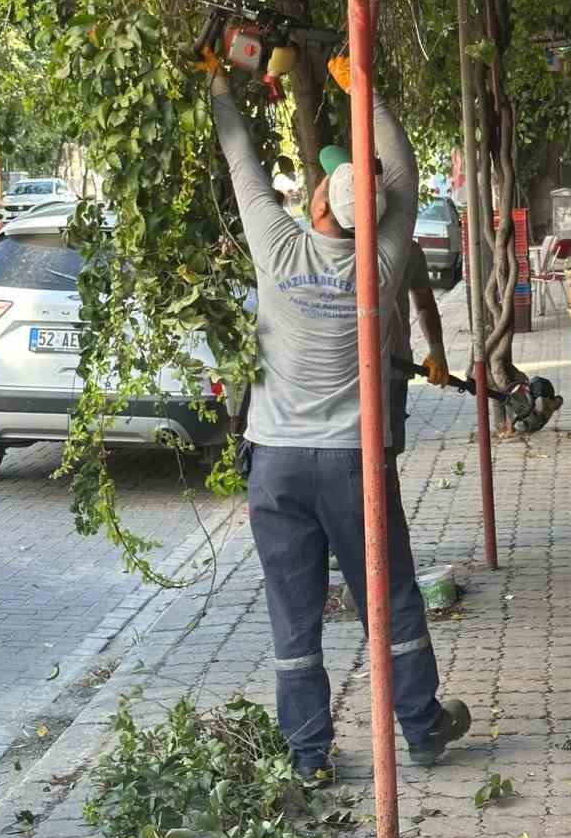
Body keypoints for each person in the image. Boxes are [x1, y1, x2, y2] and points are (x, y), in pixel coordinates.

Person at [200, 45, 469, 779]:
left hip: (277, 465)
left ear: (319, 205)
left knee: (296, 617)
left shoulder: (279, 250)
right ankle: (420, 726)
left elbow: (241, 165)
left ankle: (309, 754)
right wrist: (368, 91)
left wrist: (221, 83)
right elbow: (405, 176)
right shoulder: (380, 264)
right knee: (389, 597)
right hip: (354, 464)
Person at [389, 238, 448, 460]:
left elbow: (424, 302)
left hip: (393, 369)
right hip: (341, 372)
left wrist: (437, 349)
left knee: (386, 458)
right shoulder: (324, 246)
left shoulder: (408, 249)